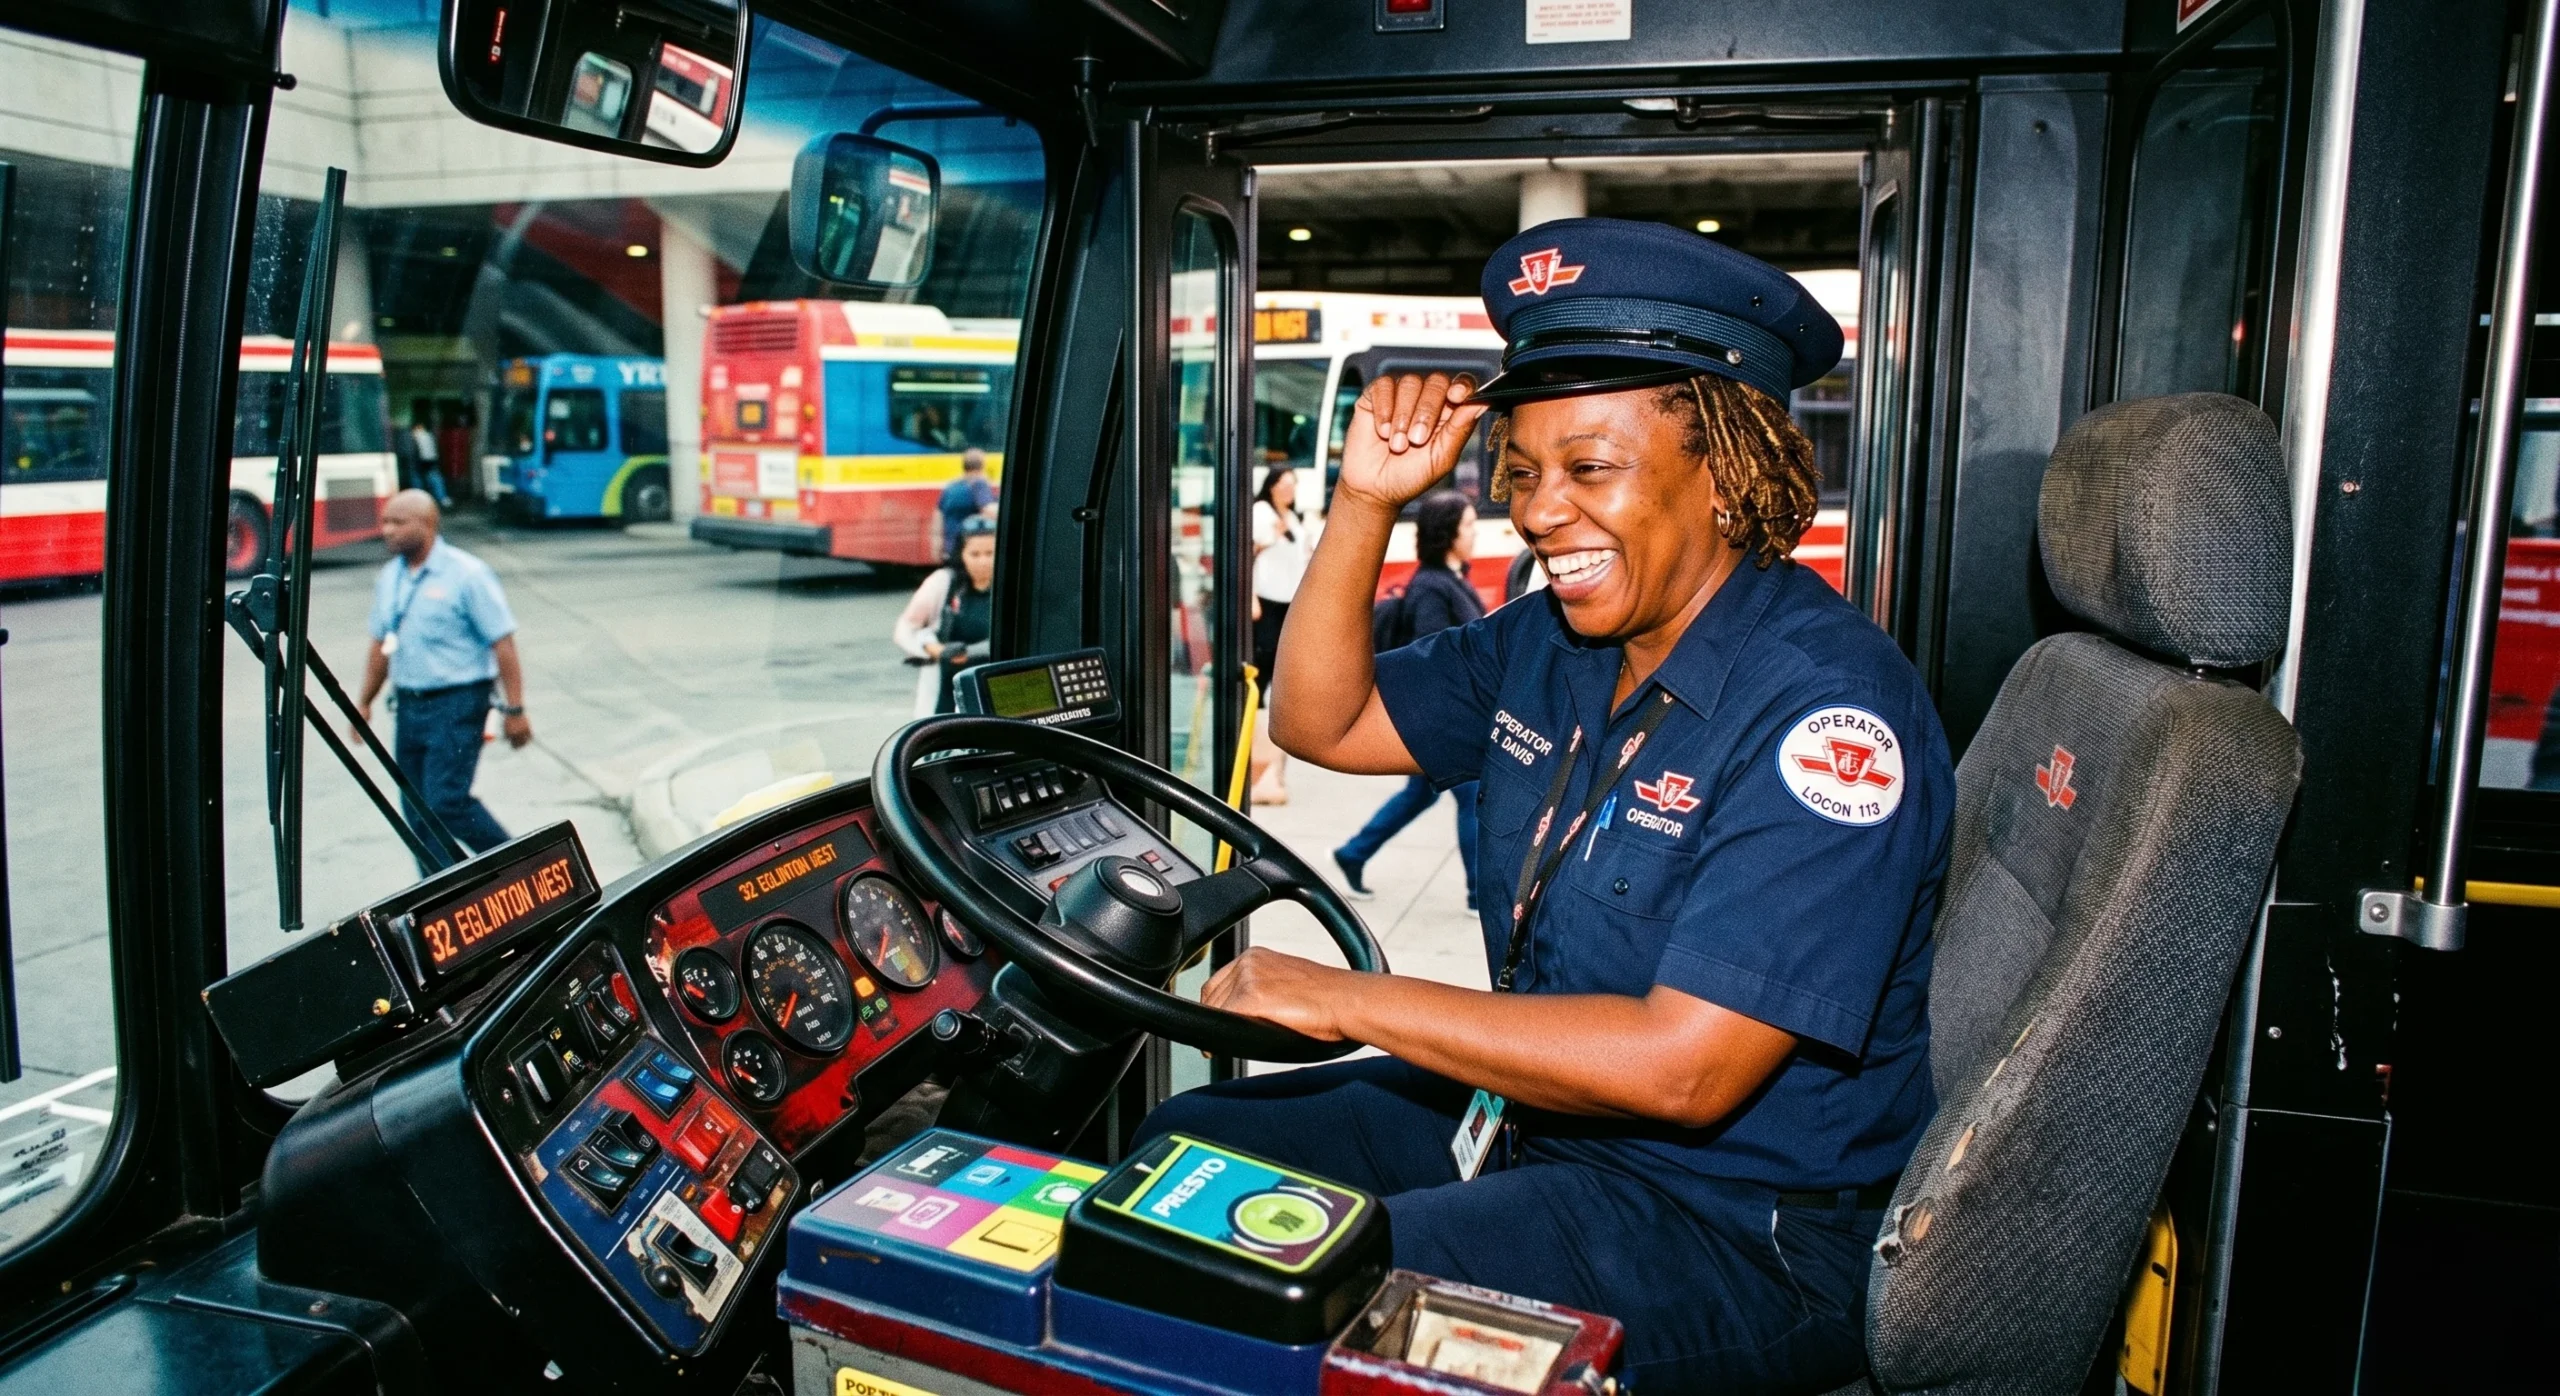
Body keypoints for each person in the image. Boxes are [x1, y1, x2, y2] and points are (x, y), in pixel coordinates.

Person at [1136, 218, 1954, 1393]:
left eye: (1587, 468)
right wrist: (1364, 501)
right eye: (1521, 472)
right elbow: (1318, 721)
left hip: (1731, 1225)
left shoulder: (1831, 716)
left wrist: (1347, 998)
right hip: (1536, 1123)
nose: (1537, 509)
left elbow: (1687, 1065)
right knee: (1181, 1169)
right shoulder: (1554, 638)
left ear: (1723, 473)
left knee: (1298, 1300)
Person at [354, 488, 530, 870]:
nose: (387, 530)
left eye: (398, 522)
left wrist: (515, 709)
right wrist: (363, 701)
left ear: (428, 524)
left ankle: (520, 865)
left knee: (445, 800)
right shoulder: (390, 578)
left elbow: (503, 645)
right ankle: (438, 895)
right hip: (410, 705)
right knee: (416, 811)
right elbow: (380, 645)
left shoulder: (467, 574)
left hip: (459, 703)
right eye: (385, 522)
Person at [1333, 489, 1486, 908]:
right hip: (1441, 722)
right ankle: (1479, 894)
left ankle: (1353, 852)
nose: (1475, 533)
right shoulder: (1431, 588)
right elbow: (1433, 648)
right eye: (1469, 525)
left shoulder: (1453, 576)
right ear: (1448, 533)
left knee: (1419, 794)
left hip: (1440, 719)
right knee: (1473, 796)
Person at [1247, 465, 1309, 804]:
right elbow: (1250, 553)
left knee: (1279, 674)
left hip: (1289, 601)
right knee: (1263, 668)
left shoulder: (1295, 517)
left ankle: (1269, 769)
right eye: (1284, 484)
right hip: (1267, 601)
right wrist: (1271, 537)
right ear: (1271, 486)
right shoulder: (1261, 512)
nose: (1289, 489)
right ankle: (1256, 766)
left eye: (1293, 484)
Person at [895, 514, 996, 716]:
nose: (983, 561)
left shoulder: (1012, 582)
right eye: (975, 554)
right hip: (946, 691)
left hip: (993, 687)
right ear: (961, 554)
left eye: (990, 553)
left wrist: (971, 653)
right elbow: (906, 629)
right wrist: (936, 650)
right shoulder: (943, 583)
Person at [937, 447, 998, 561]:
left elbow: (938, 520)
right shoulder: (979, 484)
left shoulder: (950, 487)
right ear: (982, 465)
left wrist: (938, 550)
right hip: (971, 551)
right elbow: (990, 511)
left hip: (950, 550)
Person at [406, 400, 449, 506]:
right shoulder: (426, 433)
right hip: (427, 460)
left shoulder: (417, 433)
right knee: (431, 479)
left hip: (422, 460)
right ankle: (441, 499)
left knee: (421, 479)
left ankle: (421, 501)